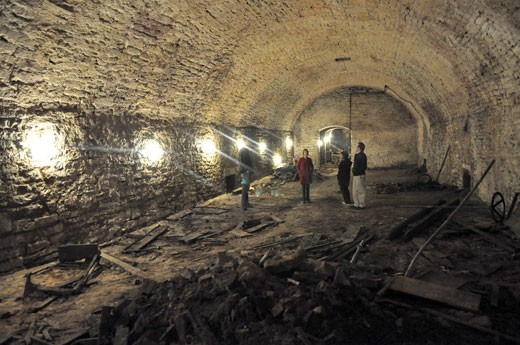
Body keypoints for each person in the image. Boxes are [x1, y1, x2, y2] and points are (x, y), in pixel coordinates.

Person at [351, 142, 367, 209]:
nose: (356, 148)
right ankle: (356, 204)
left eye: (357, 147)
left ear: (359, 148)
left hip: (359, 175)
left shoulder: (362, 156)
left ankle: (362, 204)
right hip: (356, 174)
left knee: (360, 190)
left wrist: (356, 171)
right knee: (355, 190)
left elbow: (362, 166)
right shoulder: (358, 155)